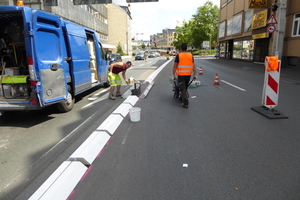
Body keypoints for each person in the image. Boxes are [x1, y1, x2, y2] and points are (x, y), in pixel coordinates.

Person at [172, 43, 197, 108]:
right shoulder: (190, 55)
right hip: (188, 75)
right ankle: (181, 97)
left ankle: (186, 102)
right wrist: (195, 74)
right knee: (185, 87)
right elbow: (193, 65)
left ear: (181, 48)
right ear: (186, 48)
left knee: (182, 88)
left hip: (181, 75)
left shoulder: (178, 55)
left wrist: (173, 74)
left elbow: (175, 66)